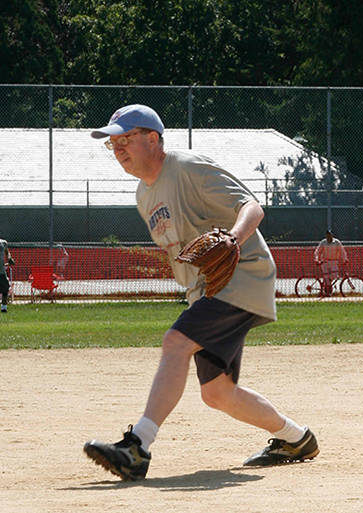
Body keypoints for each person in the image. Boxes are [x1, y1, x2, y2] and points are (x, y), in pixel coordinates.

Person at [83, 104, 318, 481]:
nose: (119, 148)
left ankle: (136, 447)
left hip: (241, 275)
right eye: (113, 142)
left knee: (176, 341)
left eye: (125, 138)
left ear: (153, 138)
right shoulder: (144, 197)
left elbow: (251, 207)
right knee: (218, 393)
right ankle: (296, 438)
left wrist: (233, 239)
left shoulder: (188, 167)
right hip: (204, 290)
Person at [314, 230, 348, 295]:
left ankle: (327, 288)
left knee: (334, 275)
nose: (328, 237)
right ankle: (327, 291)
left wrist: (345, 259)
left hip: (334, 261)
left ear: (332, 235)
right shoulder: (323, 243)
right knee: (326, 277)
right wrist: (316, 259)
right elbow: (317, 251)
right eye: (327, 235)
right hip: (325, 261)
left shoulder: (337, 242)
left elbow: (342, 251)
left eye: (330, 235)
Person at [0, 237, 15, 313]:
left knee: (5, 288)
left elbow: (7, 252)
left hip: (1, 271)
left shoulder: (3, 243)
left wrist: (9, 258)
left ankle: (3, 307)